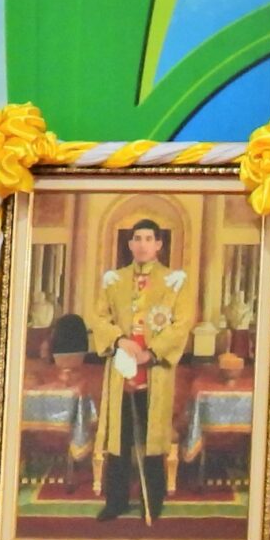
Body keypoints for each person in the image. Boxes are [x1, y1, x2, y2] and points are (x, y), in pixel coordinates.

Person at [89, 217, 196, 522]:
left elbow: (181, 323)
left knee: (152, 437)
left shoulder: (175, 281)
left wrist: (151, 352)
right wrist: (120, 340)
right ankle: (116, 501)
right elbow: (99, 317)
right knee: (119, 437)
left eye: (149, 238)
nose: (142, 244)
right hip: (122, 366)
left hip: (154, 369)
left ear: (159, 244)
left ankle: (153, 500)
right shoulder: (114, 280)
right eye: (137, 238)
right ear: (130, 243)